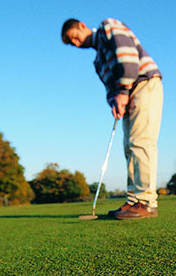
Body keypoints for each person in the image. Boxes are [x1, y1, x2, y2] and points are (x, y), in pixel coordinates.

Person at [61, 17, 163, 220]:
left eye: (75, 37)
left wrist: (123, 91)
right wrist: (114, 102)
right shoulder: (98, 61)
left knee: (141, 143)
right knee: (129, 147)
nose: (76, 43)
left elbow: (128, 58)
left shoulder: (108, 27)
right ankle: (134, 200)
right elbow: (110, 87)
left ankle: (147, 202)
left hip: (144, 84)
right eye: (72, 43)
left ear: (82, 26)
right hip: (128, 93)